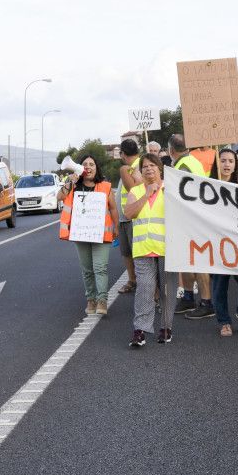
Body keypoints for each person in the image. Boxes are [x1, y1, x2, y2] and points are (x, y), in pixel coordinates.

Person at [125, 153, 176, 347]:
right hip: (143, 248)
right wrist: (147, 194)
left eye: (152, 165)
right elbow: (129, 213)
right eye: (144, 166)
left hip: (167, 248)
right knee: (145, 289)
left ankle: (166, 327)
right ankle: (140, 330)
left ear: (160, 168)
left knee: (167, 290)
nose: (148, 169)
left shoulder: (170, 188)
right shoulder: (136, 191)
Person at [58, 155, 118, 316]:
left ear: (96, 167)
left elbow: (112, 208)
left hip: (101, 234)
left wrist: (116, 226)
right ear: (80, 168)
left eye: (92, 164)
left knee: (100, 268)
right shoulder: (73, 186)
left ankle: (102, 300)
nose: (88, 167)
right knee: (87, 270)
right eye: (85, 164)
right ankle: (91, 299)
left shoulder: (105, 186)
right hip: (81, 233)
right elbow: (60, 197)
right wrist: (70, 182)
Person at [209, 149, 238, 336]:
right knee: (220, 284)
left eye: (231, 161)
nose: (227, 164)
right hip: (217, 242)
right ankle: (223, 321)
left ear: (236, 165)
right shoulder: (206, 185)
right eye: (223, 161)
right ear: (217, 164)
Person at [167, 134, 213, 318]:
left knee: (198, 261)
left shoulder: (183, 166)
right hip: (189, 219)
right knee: (185, 260)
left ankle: (206, 302)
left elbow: (183, 194)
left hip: (191, 220)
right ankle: (188, 298)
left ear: (171, 150)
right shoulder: (192, 161)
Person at [115, 138, 142, 294]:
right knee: (126, 252)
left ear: (123, 154)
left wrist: (125, 171)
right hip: (124, 219)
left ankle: (145, 285)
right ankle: (132, 280)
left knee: (137, 254)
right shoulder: (129, 167)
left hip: (134, 218)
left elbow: (132, 188)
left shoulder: (136, 166)